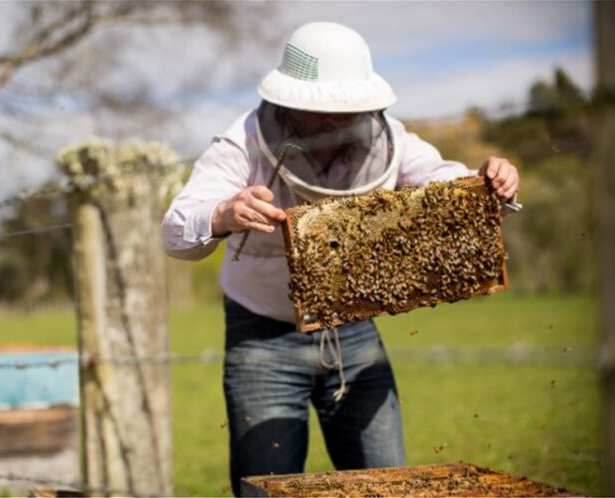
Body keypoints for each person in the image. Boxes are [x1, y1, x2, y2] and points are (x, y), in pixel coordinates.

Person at [161, 21, 519, 496]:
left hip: (353, 332)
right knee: (265, 488)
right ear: (290, 103)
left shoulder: (389, 138)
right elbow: (176, 229)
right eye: (323, 110)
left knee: (387, 483)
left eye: (346, 109)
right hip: (262, 338)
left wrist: (487, 181)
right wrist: (224, 212)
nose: (336, 120)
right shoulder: (242, 141)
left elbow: (439, 179)